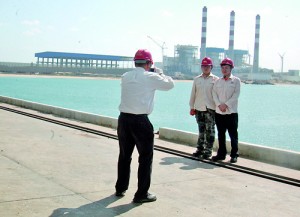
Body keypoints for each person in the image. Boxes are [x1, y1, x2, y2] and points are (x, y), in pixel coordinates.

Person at [115, 49, 174, 203]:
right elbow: (170, 85)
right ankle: (141, 193)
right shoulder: (151, 76)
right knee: (145, 158)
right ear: (149, 63)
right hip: (140, 121)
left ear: (135, 62)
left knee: (124, 156)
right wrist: (160, 73)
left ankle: (120, 187)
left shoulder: (125, 76)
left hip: (123, 120)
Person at [212, 58, 241, 163]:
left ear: (231, 68)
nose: (224, 70)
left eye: (227, 68)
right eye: (223, 68)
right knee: (221, 134)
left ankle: (234, 155)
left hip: (231, 112)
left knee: (233, 135)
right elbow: (214, 94)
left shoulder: (236, 81)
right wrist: (219, 105)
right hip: (219, 112)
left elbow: (236, 95)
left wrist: (226, 105)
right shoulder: (217, 81)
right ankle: (221, 154)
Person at [189, 57, 218, 159]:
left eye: (208, 66)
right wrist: (192, 107)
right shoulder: (197, 79)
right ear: (201, 67)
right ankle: (200, 149)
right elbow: (193, 94)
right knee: (201, 130)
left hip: (210, 109)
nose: (206, 68)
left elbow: (217, 96)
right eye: (204, 66)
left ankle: (208, 150)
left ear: (211, 67)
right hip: (198, 108)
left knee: (210, 130)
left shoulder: (215, 80)